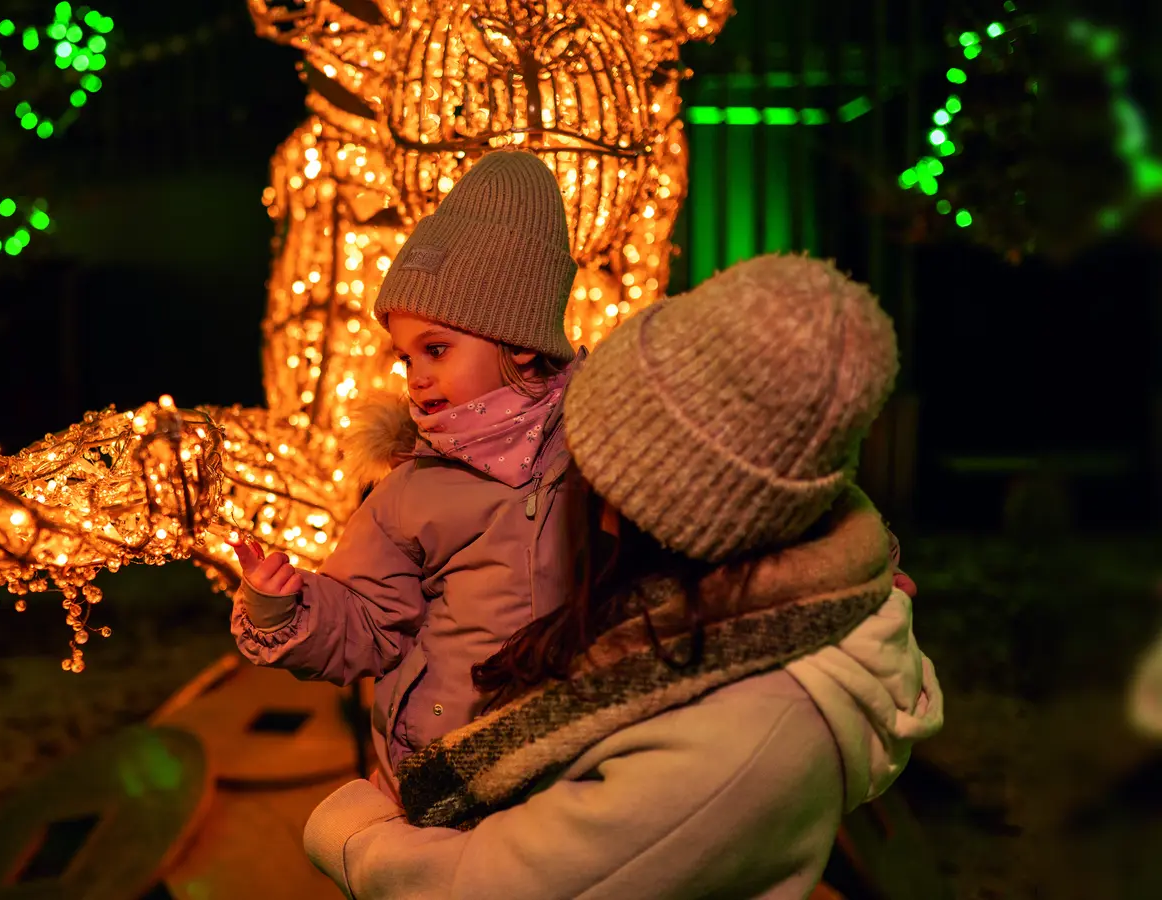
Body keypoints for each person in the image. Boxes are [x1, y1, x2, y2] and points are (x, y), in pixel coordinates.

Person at [300, 254, 946, 899]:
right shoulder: (718, 607)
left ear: (668, 507)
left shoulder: (733, 742)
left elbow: (485, 887)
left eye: (596, 463)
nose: (576, 484)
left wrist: (354, 829)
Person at [230, 150, 584, 799]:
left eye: (437, 350)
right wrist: (284, 608)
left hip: (577, 760)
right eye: (405, 357)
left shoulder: (598, 444)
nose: (416, 376)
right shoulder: (415, 488)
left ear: (520, 339)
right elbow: (368, 619)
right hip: (448, 766)